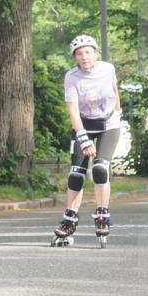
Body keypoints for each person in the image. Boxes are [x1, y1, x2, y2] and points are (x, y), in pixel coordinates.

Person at [52, 34, 123, 248]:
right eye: (79, 54)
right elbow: (73, 111)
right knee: (76, 175)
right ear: (75, 57)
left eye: (87, 52)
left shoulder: (108, 69)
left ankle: (102, 214)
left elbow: (114, 91)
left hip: (108, 125)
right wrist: (83, 139)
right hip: (83, 126)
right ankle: (70, 219)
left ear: (95, 53)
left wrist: (119, 112)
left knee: (100, 169)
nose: (84, 57)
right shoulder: (71, 77)